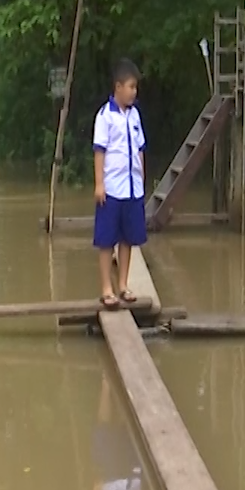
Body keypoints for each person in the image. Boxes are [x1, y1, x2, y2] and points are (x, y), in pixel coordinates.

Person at [93, 59, 147, 309]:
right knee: (107, 240)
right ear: (118, 87)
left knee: (128, 238)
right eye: (131, 87)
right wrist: (99, 184)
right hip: (112, 187)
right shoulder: (105, 116)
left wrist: (142, 179)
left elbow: (140, 148)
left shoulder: (135, 115)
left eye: (136, 87)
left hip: (132, 186)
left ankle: (123, 284)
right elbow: (99, 151)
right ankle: (107, 288)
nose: (134, 92)